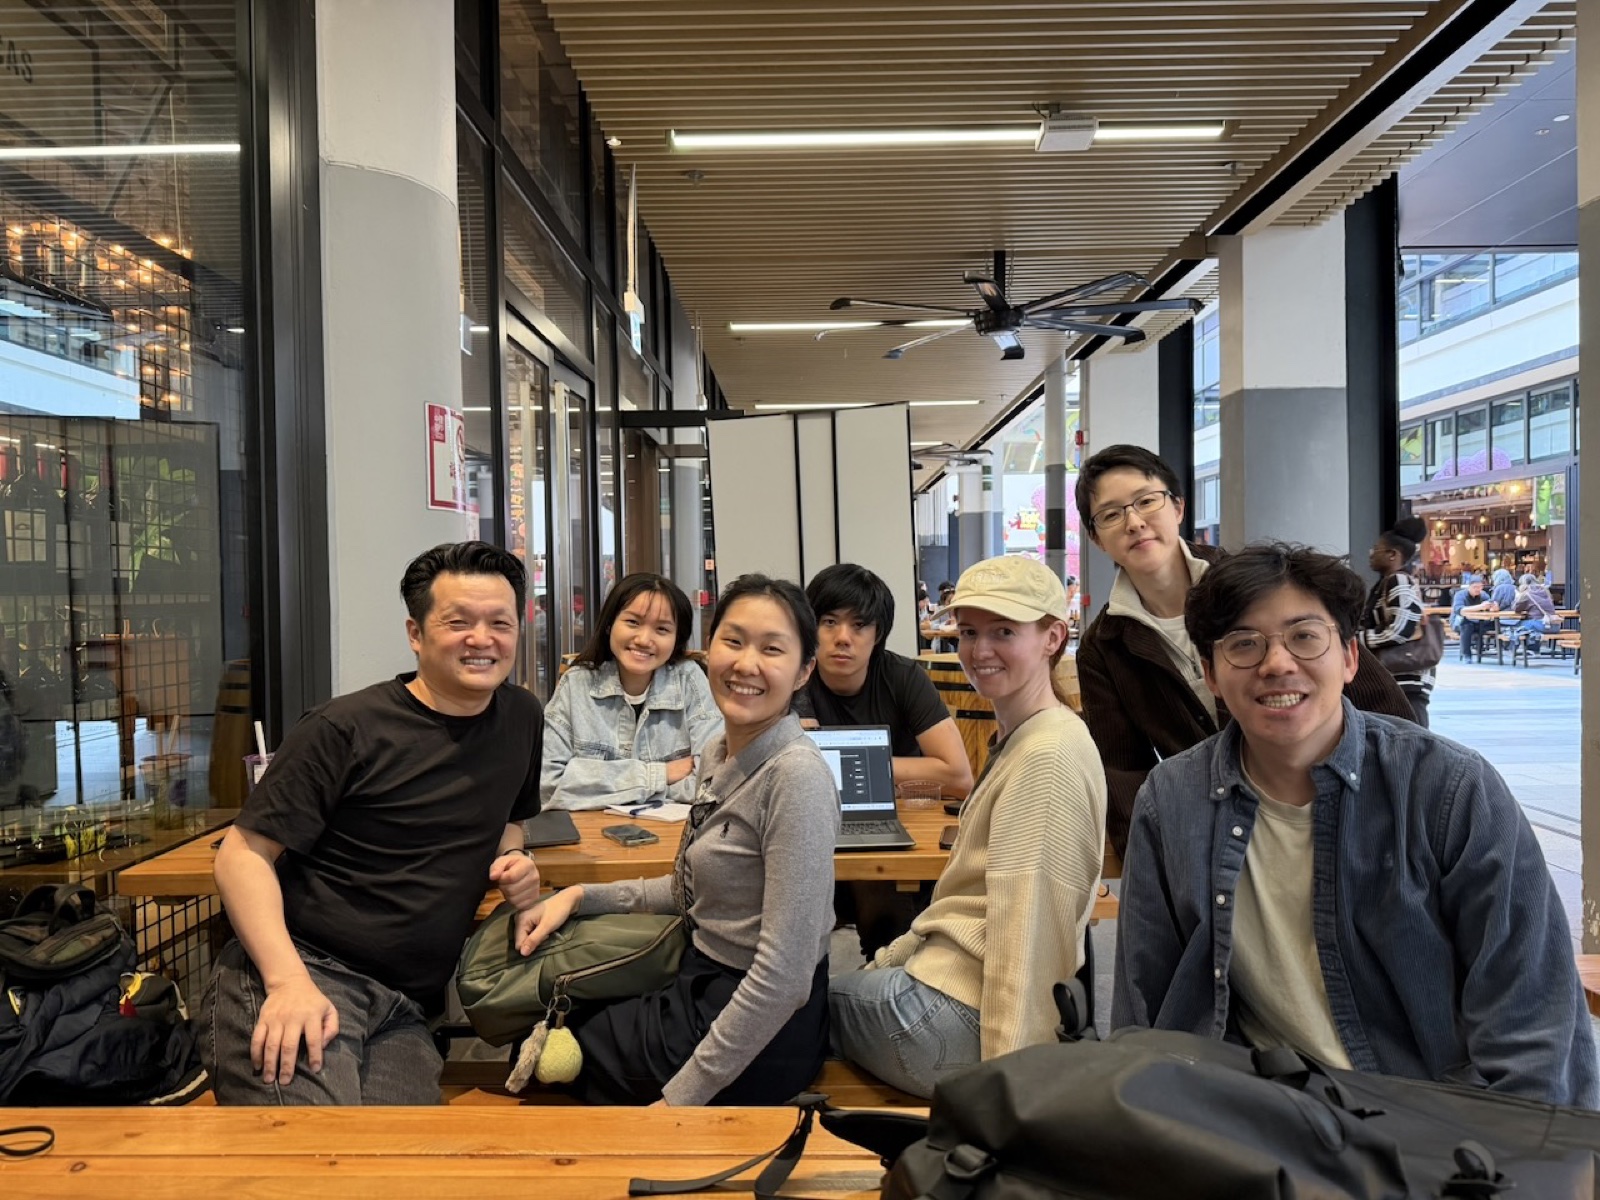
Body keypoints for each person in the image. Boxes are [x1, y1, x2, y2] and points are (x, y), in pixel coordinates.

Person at [1112, 543, 1597, 1108]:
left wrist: (1511, 1161)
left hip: (1429, 1126)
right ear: (1211, 674)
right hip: (1252, 1120)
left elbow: (1531, 1020)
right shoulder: (1172, 800)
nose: (1276, 663)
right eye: (1244, 644)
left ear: (1348, 658)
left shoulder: (1449, 790)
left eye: (1304, 636)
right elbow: (1144, 1000)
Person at [200, 542, 544, 1105]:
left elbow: (511, 818)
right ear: (416, 633)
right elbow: (241, 854)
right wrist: (287, 982)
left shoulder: (522, 717)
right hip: (306, 970)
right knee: (316, 1163)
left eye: (499, 623)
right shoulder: (345, 728)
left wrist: (517, 860)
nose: (482, 640)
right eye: (458, 623)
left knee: (402, 1166)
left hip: (406, 1007)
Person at [513, 575, 838, 1106]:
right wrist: (576, 898)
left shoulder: (795, 777)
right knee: (556, 1016)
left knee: (549, 1051)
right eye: (733, 641)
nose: (746, 664)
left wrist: (678, 1103)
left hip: (755, 1029)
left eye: (772, 649)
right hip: (701, 980)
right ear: (709, 652)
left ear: (803, 670)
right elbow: (692, 893)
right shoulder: (720, 757)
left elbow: (784, 979)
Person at [829, 555, 1107, 1099]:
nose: (980, 651)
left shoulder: (1047, 756)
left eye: (1004, 631)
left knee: (782, 1015)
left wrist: (1008, 1096)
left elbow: (1029, 933)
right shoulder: (1027, 736)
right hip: (945, 990)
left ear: (1053, 637)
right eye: (970, 632)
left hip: (950, 1017)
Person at [1073, 444, 1415, 859]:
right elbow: (1124, 770)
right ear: (1095, 538)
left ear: (1178, 507)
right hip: (1220, 834)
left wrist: (1406, 807)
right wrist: (1156, 862)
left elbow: (1382, 708)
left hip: (1341, 808)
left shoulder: (1262, 588)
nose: (1134, 522)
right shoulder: (1104, 646)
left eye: (1147, 501)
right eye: (1111, 514)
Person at [795, 563, 974, 958]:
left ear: (877, 635)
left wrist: (860, 762)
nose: (843, 638)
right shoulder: (792, 678)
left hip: (886, 824)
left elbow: (959, 775)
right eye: (828, 622)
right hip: (806, 824)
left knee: (884, 888)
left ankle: (882, 986)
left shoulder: (902, 677)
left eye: (859, 625)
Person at [541, 573, 721, 811]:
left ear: (677, 639)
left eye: (662, 629)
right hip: (590, 837)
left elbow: (713, 782)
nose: (644, 639)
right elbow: (548, 785)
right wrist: (661, 774)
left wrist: (592, 786)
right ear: (609, 625)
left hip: (673, 839)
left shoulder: (690, 680)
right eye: (633, 622)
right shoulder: (577, 684)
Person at [1360, 516, 1435, 727]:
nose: (1371, 554)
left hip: (1406, 678)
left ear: (1393, 554)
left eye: (1377, 549)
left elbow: (1401, 630)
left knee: (1410, 740)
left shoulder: (1398, 580)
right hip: (1402, 679)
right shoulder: (1388, 583)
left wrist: (1357, 639)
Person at [1511, 572, 1561, 655]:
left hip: (1541, 626)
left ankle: (1524, 650)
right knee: (1529, 625)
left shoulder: (1526, 593)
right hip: (1554, 626)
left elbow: (1516, 608)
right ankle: (1533, 648)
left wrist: (1518, 597)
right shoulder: (1545, 591)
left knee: (1517, 626)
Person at [1451, 574, 1492, 662]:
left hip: (1478, 622)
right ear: (1469, 587)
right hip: (1460, 622)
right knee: (1466, 626)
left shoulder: (1483, 595)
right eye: (1475, 587)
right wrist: (1480, 607)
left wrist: (1494, 606)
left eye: (1480, 587)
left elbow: (1489, 605)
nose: (1477, 589)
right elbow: (1460, 610)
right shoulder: (1460, 595)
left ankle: (1482, 648)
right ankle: (1466, 655)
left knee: (1493, 623)